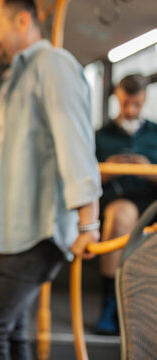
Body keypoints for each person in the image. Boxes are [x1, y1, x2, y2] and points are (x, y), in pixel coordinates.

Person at [0, 0, 102, 358]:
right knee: (12, 333)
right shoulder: (15, 76)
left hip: (33, 233)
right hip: (6, 233)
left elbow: (75, 145)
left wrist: (88, 224)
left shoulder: (53, 66)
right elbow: (1, 164)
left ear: (23, 20)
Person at [94, 74, 157, 335]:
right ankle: (112, 301)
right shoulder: (100, 136)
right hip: (117, 199)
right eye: (125, 104)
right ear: (116, 99)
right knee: (122, 216)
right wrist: (110, 169)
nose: (131, 111)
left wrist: (147, 169)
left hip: (151, 199)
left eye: (137, 105)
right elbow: (86, 177)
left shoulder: (155, 133)